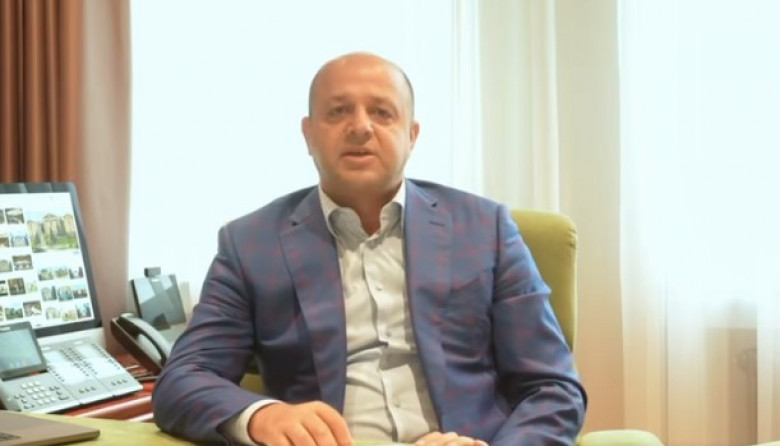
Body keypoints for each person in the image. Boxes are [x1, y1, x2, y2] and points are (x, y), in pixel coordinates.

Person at [152, 52, 586, 446]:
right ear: (308, 134)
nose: (360, 126)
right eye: (338, 111)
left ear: (412, 135)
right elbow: (183, 379)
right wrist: (262, 416)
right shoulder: (250, 243)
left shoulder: (485, 228)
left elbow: (553, 387)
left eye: (382, 112)